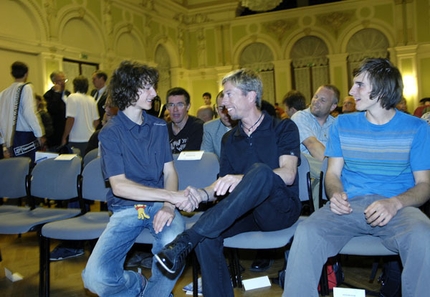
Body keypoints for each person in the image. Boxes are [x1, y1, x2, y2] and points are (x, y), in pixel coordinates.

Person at [283, 58, 430, 297]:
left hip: (398, 207)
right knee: (307, 231)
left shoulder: (417, 128)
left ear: (381, 89)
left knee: (424, 235)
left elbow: (425, 185)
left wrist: (394, 203)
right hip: (349, 205)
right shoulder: (343, 123)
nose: (351, 92)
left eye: (359, 85)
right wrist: (335, 193)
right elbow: (332, 174)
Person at [155, 68, 302, 297]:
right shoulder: (229, 139)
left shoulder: (283, 127)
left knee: (261, 172)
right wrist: (201, 193)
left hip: (280, 209)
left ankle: (186, 240)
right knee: (207, 235)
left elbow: (288, 174)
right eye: (223, 95)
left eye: (229, 94)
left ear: (251, 96)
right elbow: (222, 186)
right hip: (247, 213)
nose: (224, 101)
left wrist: (243, 178)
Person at [82, 61, 193, 297]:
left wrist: (167, 206)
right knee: (95, 279)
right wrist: (170, 196)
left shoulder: (158, 126)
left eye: (153, 87)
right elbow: (119, 186)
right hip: (126, 209)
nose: (154, 93)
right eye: (147, 88)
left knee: (174, 241)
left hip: (158, 206)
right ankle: (137, 284)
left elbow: (170, 172)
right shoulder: (110, 132)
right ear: (128, 90)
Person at [291, 84, 339, 207]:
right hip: (301, 170)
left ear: (333, 106)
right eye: (315, 96)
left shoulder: (335, 125)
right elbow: (312, 145)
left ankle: (320, 217)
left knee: (321, 182)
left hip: (316, 179)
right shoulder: (300, 117)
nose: (316, 101)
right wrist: (336, 168)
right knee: (304, 158)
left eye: (322, 100)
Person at [0, 61, 44, 164]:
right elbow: (29, 112)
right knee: (29, 169)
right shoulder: (26, 88)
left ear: (12, 74)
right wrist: (39, 134)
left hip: (10, 139)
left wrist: (3, 143)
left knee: (16, 171)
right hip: (25, 137)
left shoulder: (3, 93)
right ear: (26, 74)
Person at [61, 75, 99, 155]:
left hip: (77, 139)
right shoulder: (91, 99)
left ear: (75, 86)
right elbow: (96, 121)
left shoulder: (72, 97)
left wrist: (64, 136)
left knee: (77, 164)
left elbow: (71, 119)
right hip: (90, 138)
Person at [200, 91, 237, 159]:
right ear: (216, 110)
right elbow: (207, 160)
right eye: (222, 109)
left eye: (230, 108)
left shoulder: (249, 125)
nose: (227, 113)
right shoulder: (210, 128)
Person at [166, 87, 204, 154]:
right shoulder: (163, 130)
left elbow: (190, 159)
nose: (175, 109)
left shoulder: (198, 127)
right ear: (167, 108)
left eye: (180, 104)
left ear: (188, 106)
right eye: (171, 105)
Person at [43, 71, 70, 150]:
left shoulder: (68, 94)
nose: (63, 83)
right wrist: (57, 93)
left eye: (64, 80)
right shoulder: (48, 95)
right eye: (60, 81)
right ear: (54, 82)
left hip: (68, 131)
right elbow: (53, 109)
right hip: (56, 132)